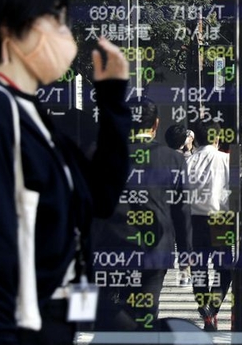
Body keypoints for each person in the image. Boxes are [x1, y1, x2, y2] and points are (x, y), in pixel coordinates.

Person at [0, 0, 131, 345]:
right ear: (7, 30)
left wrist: (113, 99)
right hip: (15, 335)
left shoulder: (34, 116)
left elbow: (101, 196)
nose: (65, 36)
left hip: (50, 327)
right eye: (54, 20)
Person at [92, 98, 191, 330]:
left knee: (111, 313)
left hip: (111, 248)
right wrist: (186, 253)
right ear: (155, 124)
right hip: (155, 251)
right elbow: (182, 210)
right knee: (146, 313)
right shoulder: (173, 159)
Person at [186, 120, 231, 331]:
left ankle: (205, 311)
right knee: (224, 269)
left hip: (194, 222)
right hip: (221, 220)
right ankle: (212, 309)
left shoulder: (187, 161)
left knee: (199, 270)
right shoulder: (227, 159)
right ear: (217, 138)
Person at [164, 124, 195, 285]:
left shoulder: (161, 157)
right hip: (181, 204)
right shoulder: (183, 159)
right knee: (184, 233)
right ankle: (184, 271)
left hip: (162, 210)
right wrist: (189, 149)